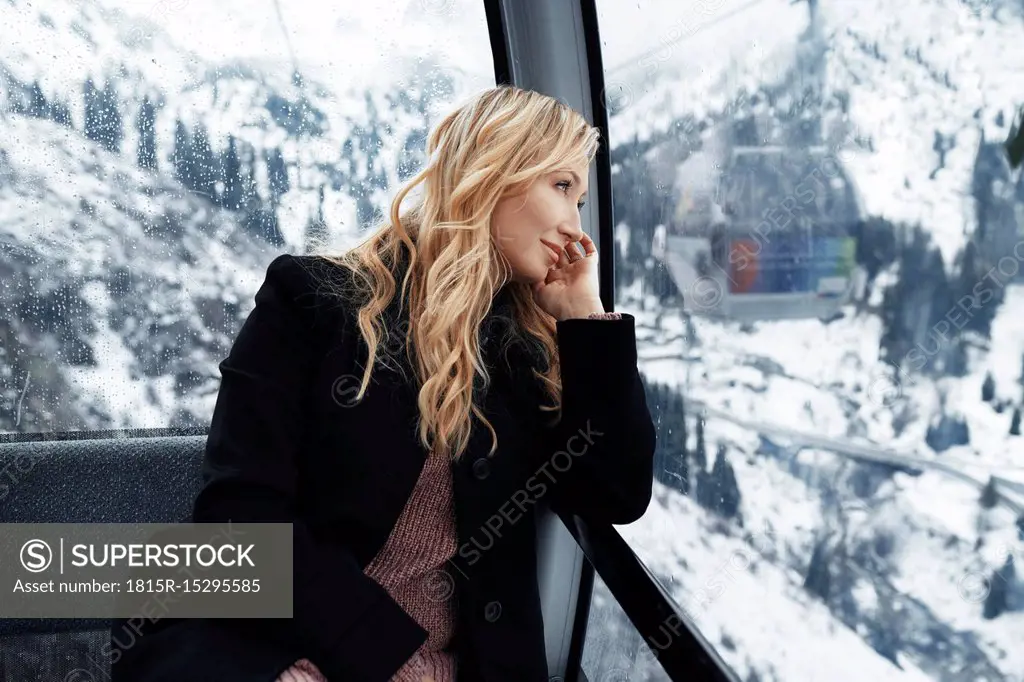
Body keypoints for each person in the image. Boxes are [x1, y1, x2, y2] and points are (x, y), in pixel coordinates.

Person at [110, 84, 656, 682]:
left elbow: (615, 496)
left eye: (580, 198)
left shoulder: (525, 353)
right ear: (494, 169)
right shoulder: (311, 303)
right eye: (561, 187)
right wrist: (381, 653)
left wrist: (586, 318)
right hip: (283, 649)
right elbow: (240, 514)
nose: (575, 226)